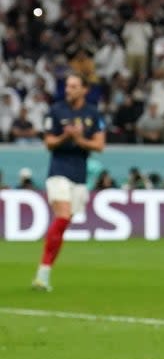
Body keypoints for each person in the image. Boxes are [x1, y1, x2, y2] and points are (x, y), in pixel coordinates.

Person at [33, 73, 106, 292]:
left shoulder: (93, 113)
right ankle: (42, 273)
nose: (69, 90)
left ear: (84, 89)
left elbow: (100, 145)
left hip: (80, 175)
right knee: (63, 216)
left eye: (74, 86)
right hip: (58, 171)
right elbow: (49, 143)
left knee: (63, 224)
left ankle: (44, 273)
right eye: (67, 86)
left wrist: (79, 139)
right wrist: (65, 137)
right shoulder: (56, 111)